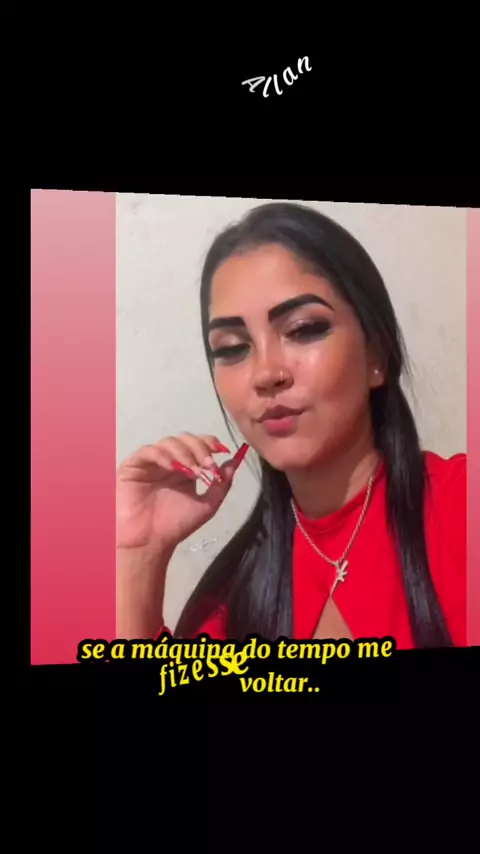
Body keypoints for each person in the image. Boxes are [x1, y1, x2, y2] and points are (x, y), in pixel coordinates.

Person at [116, 202, 466, 649]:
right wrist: (139, 555)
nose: (266, 374)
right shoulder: (230, 600)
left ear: (376, 356)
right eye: (233, 348)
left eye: (303, 329)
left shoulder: (460, 509)